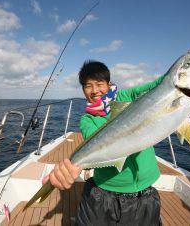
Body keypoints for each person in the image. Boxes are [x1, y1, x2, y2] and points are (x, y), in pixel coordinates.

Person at [42, 60, 163, 226]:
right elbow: (99, 148)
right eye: (88, 86)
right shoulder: (88, 119)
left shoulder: (125, 97)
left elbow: (159, 86)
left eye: (99, 84)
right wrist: (71, 169)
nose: (94, 91)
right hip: (105, 192)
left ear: (108, 84)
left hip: (145, 193)